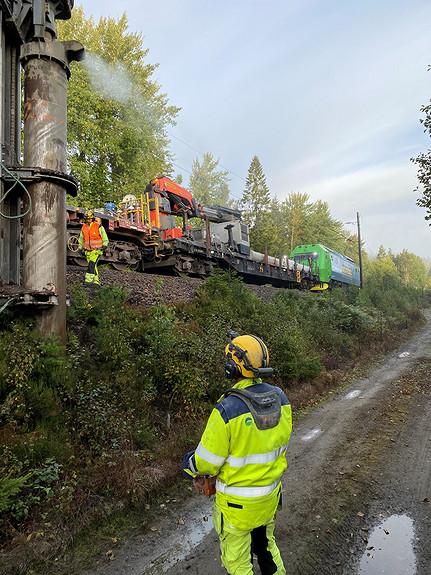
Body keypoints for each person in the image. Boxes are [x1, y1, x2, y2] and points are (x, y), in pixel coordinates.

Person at [183, 331, 292, 575]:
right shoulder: (281, 399)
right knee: (266, 548)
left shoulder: (228, 408)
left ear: (232, 368)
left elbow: (205, 463)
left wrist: (189, 463)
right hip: (269, 498)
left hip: (236, 507)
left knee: (238, 561)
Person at [78, 209, 109, 286]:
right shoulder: (84, 227)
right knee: (93, 265)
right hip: (88, 251)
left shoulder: (98, 226)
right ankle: (96, 281)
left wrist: (105, 244)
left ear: (92, 218)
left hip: (97, 250)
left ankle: (88, 280)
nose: (88, 220)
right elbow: (81, 239)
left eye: (89, 218)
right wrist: (80, 248)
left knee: (91, 264)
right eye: (86, 219)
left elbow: (104, 236)